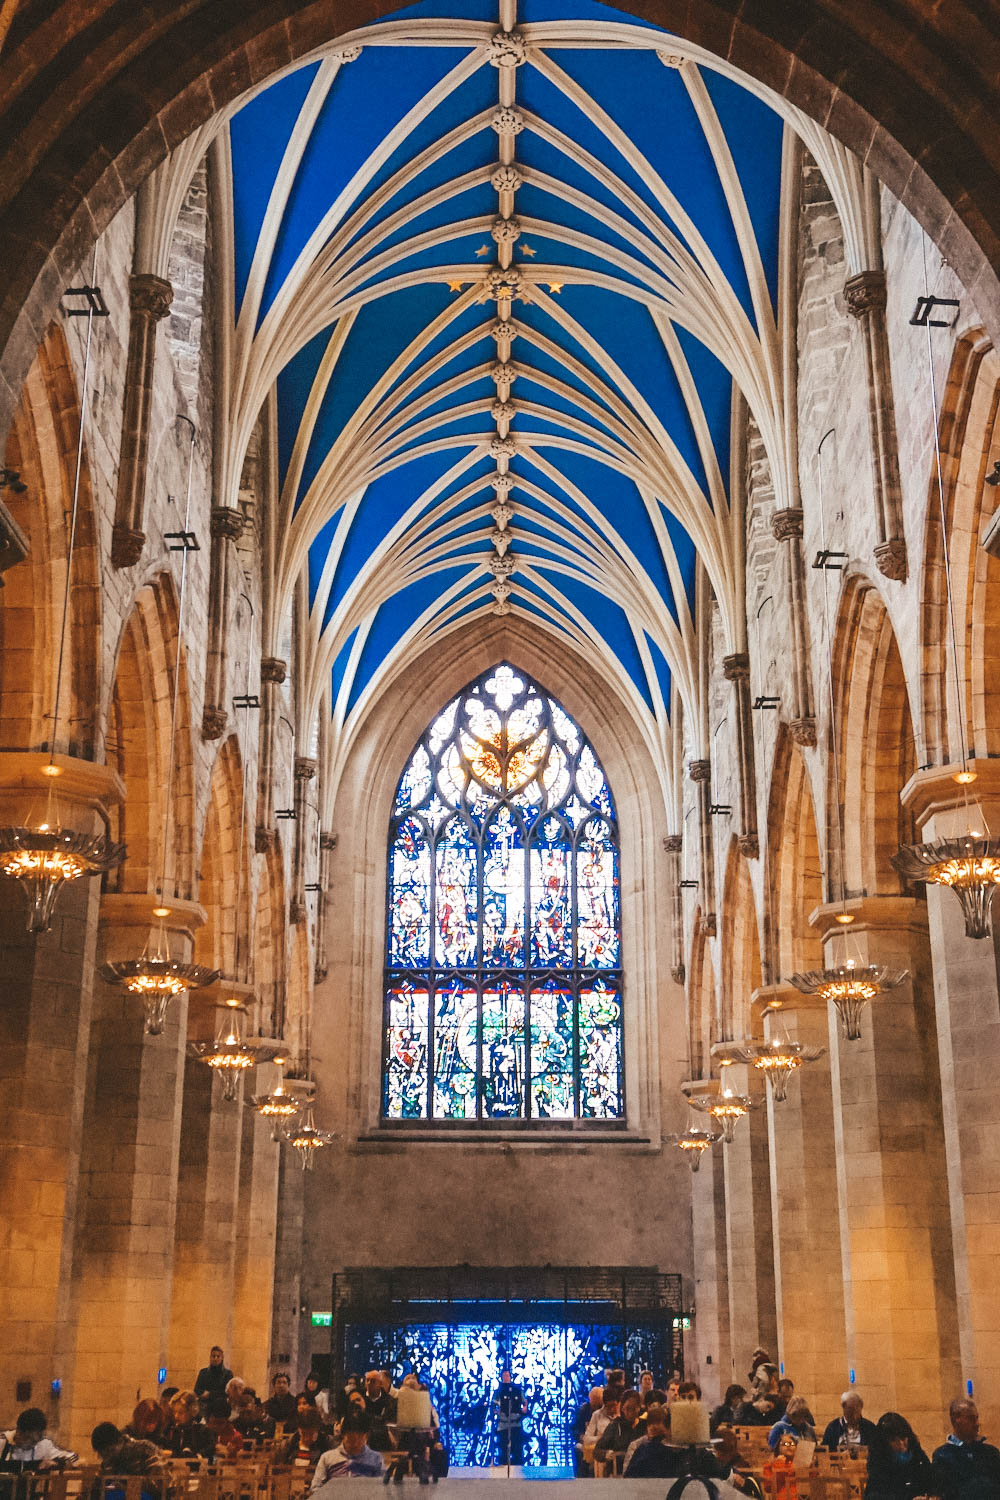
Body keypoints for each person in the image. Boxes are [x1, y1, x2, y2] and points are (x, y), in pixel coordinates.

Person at [931, 1398, 1000, 1499]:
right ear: (955, 1420)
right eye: (971, 1418)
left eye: (977, 1418)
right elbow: (943, 1492)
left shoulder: (991, 1452)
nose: (977, 1423)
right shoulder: (942, 1455)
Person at [864, 1412, 936, 1499]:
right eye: (894, 1440)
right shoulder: (879, 1462)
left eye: (903, 1437)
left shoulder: (918, 1455)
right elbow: (872, 1496)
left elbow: (931, 1484)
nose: (901, 1444)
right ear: (884, 1443)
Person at [311, 1413, 383, 1486]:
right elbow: (315, 1487)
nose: (355, 1444)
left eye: (360, 1439)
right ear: (343, 1434)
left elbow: (382, 1489)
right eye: (351, 1440)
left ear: (367, 1436)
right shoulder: (327, 1458)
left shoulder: (375, 1459)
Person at [0, 1410, 77, 1471]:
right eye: (28, 1438)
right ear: (18, 1431)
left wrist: (56, 1463)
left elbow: (73, 1457)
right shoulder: (2, 1441)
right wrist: (35, 1465)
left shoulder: (43, 1444)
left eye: (35, 1441)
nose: (31, 1445)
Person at [91, 1424, 163, 1478]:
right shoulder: (108, 1462)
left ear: (120, 1441)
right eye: (103, 1455)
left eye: (109, 1451)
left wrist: (126, 1487)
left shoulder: (145, 1449)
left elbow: (158, 1483)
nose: (108, 1457)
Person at [594, 1389, 644, 1467]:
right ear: (622, 1409)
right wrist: (606, 1454)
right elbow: (597, 1451)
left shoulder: (644, 1425)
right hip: (618, 1471)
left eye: (633, 1409)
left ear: (639, 1408)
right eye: (627, 1409)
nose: (630, 1413)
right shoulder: (615, 1426)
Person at [713, 1427, 765, 1498]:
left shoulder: (739, 1468)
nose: (715, 1455)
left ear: (720, 1452)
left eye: (715, 1451)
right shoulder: (724, 1465)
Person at [164, 1390, 215, 1460]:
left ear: (192, 1411)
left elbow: (208, 1451)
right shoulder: (172, 1430)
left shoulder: (203, 1431)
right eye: (174, 1412)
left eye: (181, 1413)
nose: (176, 1416)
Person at [493, 1369, 525, 1466]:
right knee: (503, 1449)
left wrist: (524, 1408)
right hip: (503, 1424)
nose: (506, 1378)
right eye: (504, 1376)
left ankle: (518, 1472)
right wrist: (497, 1412)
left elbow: (525, 1402)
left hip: (516, 1423)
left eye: (508, 1376)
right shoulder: (498, 1391)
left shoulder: (517, 1390)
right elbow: (494, 1405)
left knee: (517, 1449)